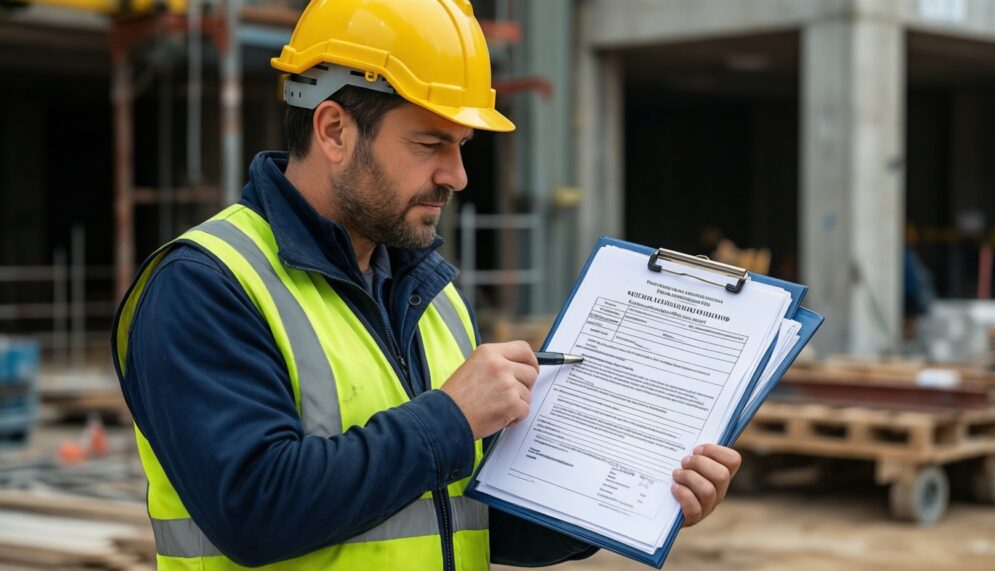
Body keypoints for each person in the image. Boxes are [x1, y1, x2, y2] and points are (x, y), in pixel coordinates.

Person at [111, 1, 741, 568]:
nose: (457, 175)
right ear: (334, 131)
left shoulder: (431, 297)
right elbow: (254, 511)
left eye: (461, 145)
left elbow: (468, 520)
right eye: (431, 143)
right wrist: (450, 418)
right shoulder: (206, 284)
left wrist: (634, 497)